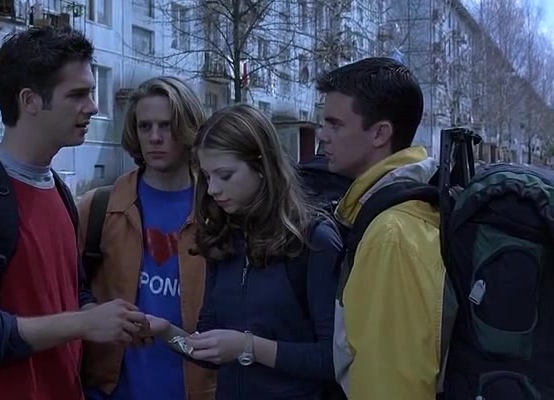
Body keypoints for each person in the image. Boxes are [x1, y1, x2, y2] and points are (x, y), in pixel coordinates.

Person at [0, 26, 147, 400]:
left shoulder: (58, 189)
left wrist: (109, 319)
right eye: (77, 94)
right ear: (29, 100)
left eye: (91, 92)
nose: (93, 107)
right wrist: (82, 323)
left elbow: (69, 293)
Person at [149, 104, 342, 399]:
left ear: (262, 167)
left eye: (224, 175)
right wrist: (165, 332)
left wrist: (248, 347)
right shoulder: (224, 239)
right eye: (207, 176)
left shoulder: (314, 241)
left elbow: (332, 359)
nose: (212, 189)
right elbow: (209, 350)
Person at [77, 76, 216, 400]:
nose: (154, 137)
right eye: (145, 126)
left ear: (189, 129)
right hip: (110, 389)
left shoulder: (220, 209)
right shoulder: (100, 208)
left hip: (196, 387)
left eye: (166, 126)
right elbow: (70, 289)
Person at [317, 57, 447, 399]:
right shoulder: (401, 206)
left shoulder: (391, 234)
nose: (322, 136)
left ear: (380, 133)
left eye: (334, 124)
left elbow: (392, 384)